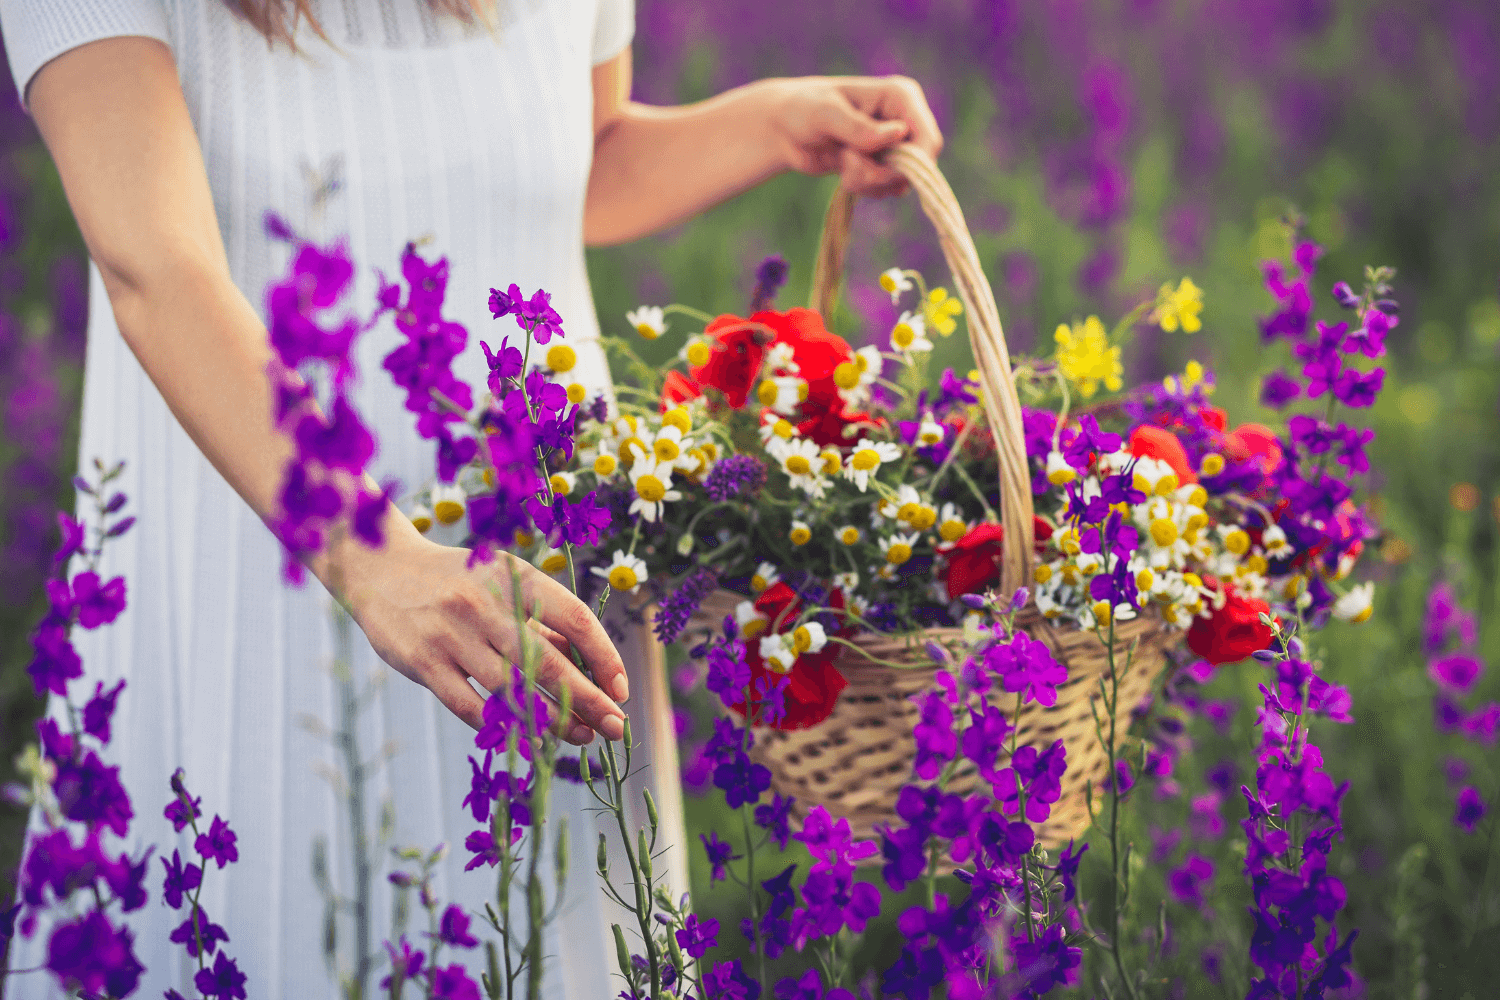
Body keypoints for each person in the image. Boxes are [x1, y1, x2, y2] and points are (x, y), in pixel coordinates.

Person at [0, 0, 943, 995]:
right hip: (269, 556)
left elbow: (574, 162)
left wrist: (773, 120)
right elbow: (156, 263)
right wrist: (370, 553)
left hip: (537, 566)